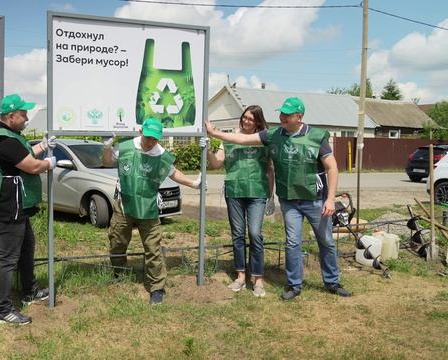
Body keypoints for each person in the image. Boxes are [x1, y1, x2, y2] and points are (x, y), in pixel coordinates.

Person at [205, 97, 351, 301]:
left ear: (299, 117)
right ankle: (294, 285)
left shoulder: (316, 136)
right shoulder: (274, 134)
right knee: (292, 243)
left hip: (315, 199)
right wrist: (214, 133)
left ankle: (332, 282)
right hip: (289, 200)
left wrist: (330, 198)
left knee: (325, 240)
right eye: (281, 113)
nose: (281, 117)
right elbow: (244, 139)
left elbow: (332, 167)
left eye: (287, 115)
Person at [102, 118, 202, 305]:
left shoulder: (162, 155)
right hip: (124, 206)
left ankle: (157, 288)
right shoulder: (125, 148)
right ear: (141, 131)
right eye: (148, 137)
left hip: (148, 209)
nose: (150, 142)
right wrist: (107, 147)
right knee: (117, 241)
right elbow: (107, 162)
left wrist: (193, 183)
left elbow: (173, 172)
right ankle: (119, 274)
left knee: (153, 249)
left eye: (155, 139)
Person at [0, 94, 56, 325]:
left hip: (16, 206)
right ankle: (4, 310)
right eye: (23, 114)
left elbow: (23, 154)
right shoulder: (5, 140)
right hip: (8, 207)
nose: (26, 118)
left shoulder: (9, 135)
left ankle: (29, 291)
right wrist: (49, 163)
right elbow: (31, 166)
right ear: (10, 116)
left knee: (26, 248)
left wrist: (43, 146)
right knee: (8, 258)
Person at [205, 105, 274, 297]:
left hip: (257, 192)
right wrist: (208, 148)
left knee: (255, 233)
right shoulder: (227, 139)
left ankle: (258, 278)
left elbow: (269, 169)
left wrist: (271, 196)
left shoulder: (264, 140)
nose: (246, 121)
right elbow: (216, 163)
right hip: (234, 191)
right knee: (237, 234)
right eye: (244, 117)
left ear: (258, 121)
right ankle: (241, 276)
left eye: (250, 119)